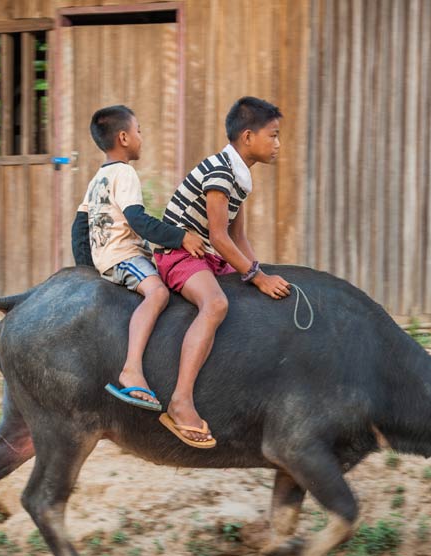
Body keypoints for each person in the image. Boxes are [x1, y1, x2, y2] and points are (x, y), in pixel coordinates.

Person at [154, 96, 291, 448]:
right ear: (248, 137)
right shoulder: (220, 172)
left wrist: (259, 272)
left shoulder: (239, 176)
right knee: (216, 305)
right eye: (272, 135)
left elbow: (237, 236)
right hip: (178, 253)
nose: (277, 144)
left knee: (248, 292)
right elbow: (217, 235)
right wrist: (257, 276)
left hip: (206, 254)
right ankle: (180, 399)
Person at [79, 105, 206, 422]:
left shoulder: (98, 179)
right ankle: (132, 369)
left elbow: (78, 227)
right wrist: (180, 238)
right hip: (124, 255)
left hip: (107, 258)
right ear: (123, 137)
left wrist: (86, 270)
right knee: (159, 294)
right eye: (139, 130)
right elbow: (137, 219)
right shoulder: (124, 173)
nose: (141, 137)